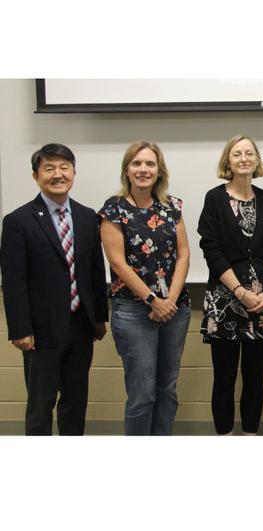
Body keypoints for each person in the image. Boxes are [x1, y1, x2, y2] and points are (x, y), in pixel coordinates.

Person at [1, 143, 108, 435]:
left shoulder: (88, 217)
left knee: (75, 401)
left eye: (64, 168)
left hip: (80, 326)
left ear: (74, 173)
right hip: (40, 329)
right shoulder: (17, 221)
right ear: (36, 176)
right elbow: (14, 282)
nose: (57, 175)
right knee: (41, 403)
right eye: (49, 168)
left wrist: (99, 318)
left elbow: (96, 272)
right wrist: (20, 329)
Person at [99, 140, 191, 435]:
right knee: (142, 395)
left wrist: (170, 300)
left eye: (150, 164)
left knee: (167, 390)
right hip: (134, 310)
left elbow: (184, 254)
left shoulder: (172, 206)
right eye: (137, 163)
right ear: (127, 169)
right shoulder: (114, 209)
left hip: (175, 310)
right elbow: (118, 263)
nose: (143, 169)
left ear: (159, 170)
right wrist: (154, 300)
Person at [198, 135, 263, 435]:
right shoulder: (214, 198)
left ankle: (250, 435)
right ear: (228, 161)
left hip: (262, 301)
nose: (244, 158)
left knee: (255, 376)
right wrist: (239, 291)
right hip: (226, 301)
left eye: (250, 153)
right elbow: (211, 250)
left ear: (257, 160)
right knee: (223, 377)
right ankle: (224, 437)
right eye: (237, 153)